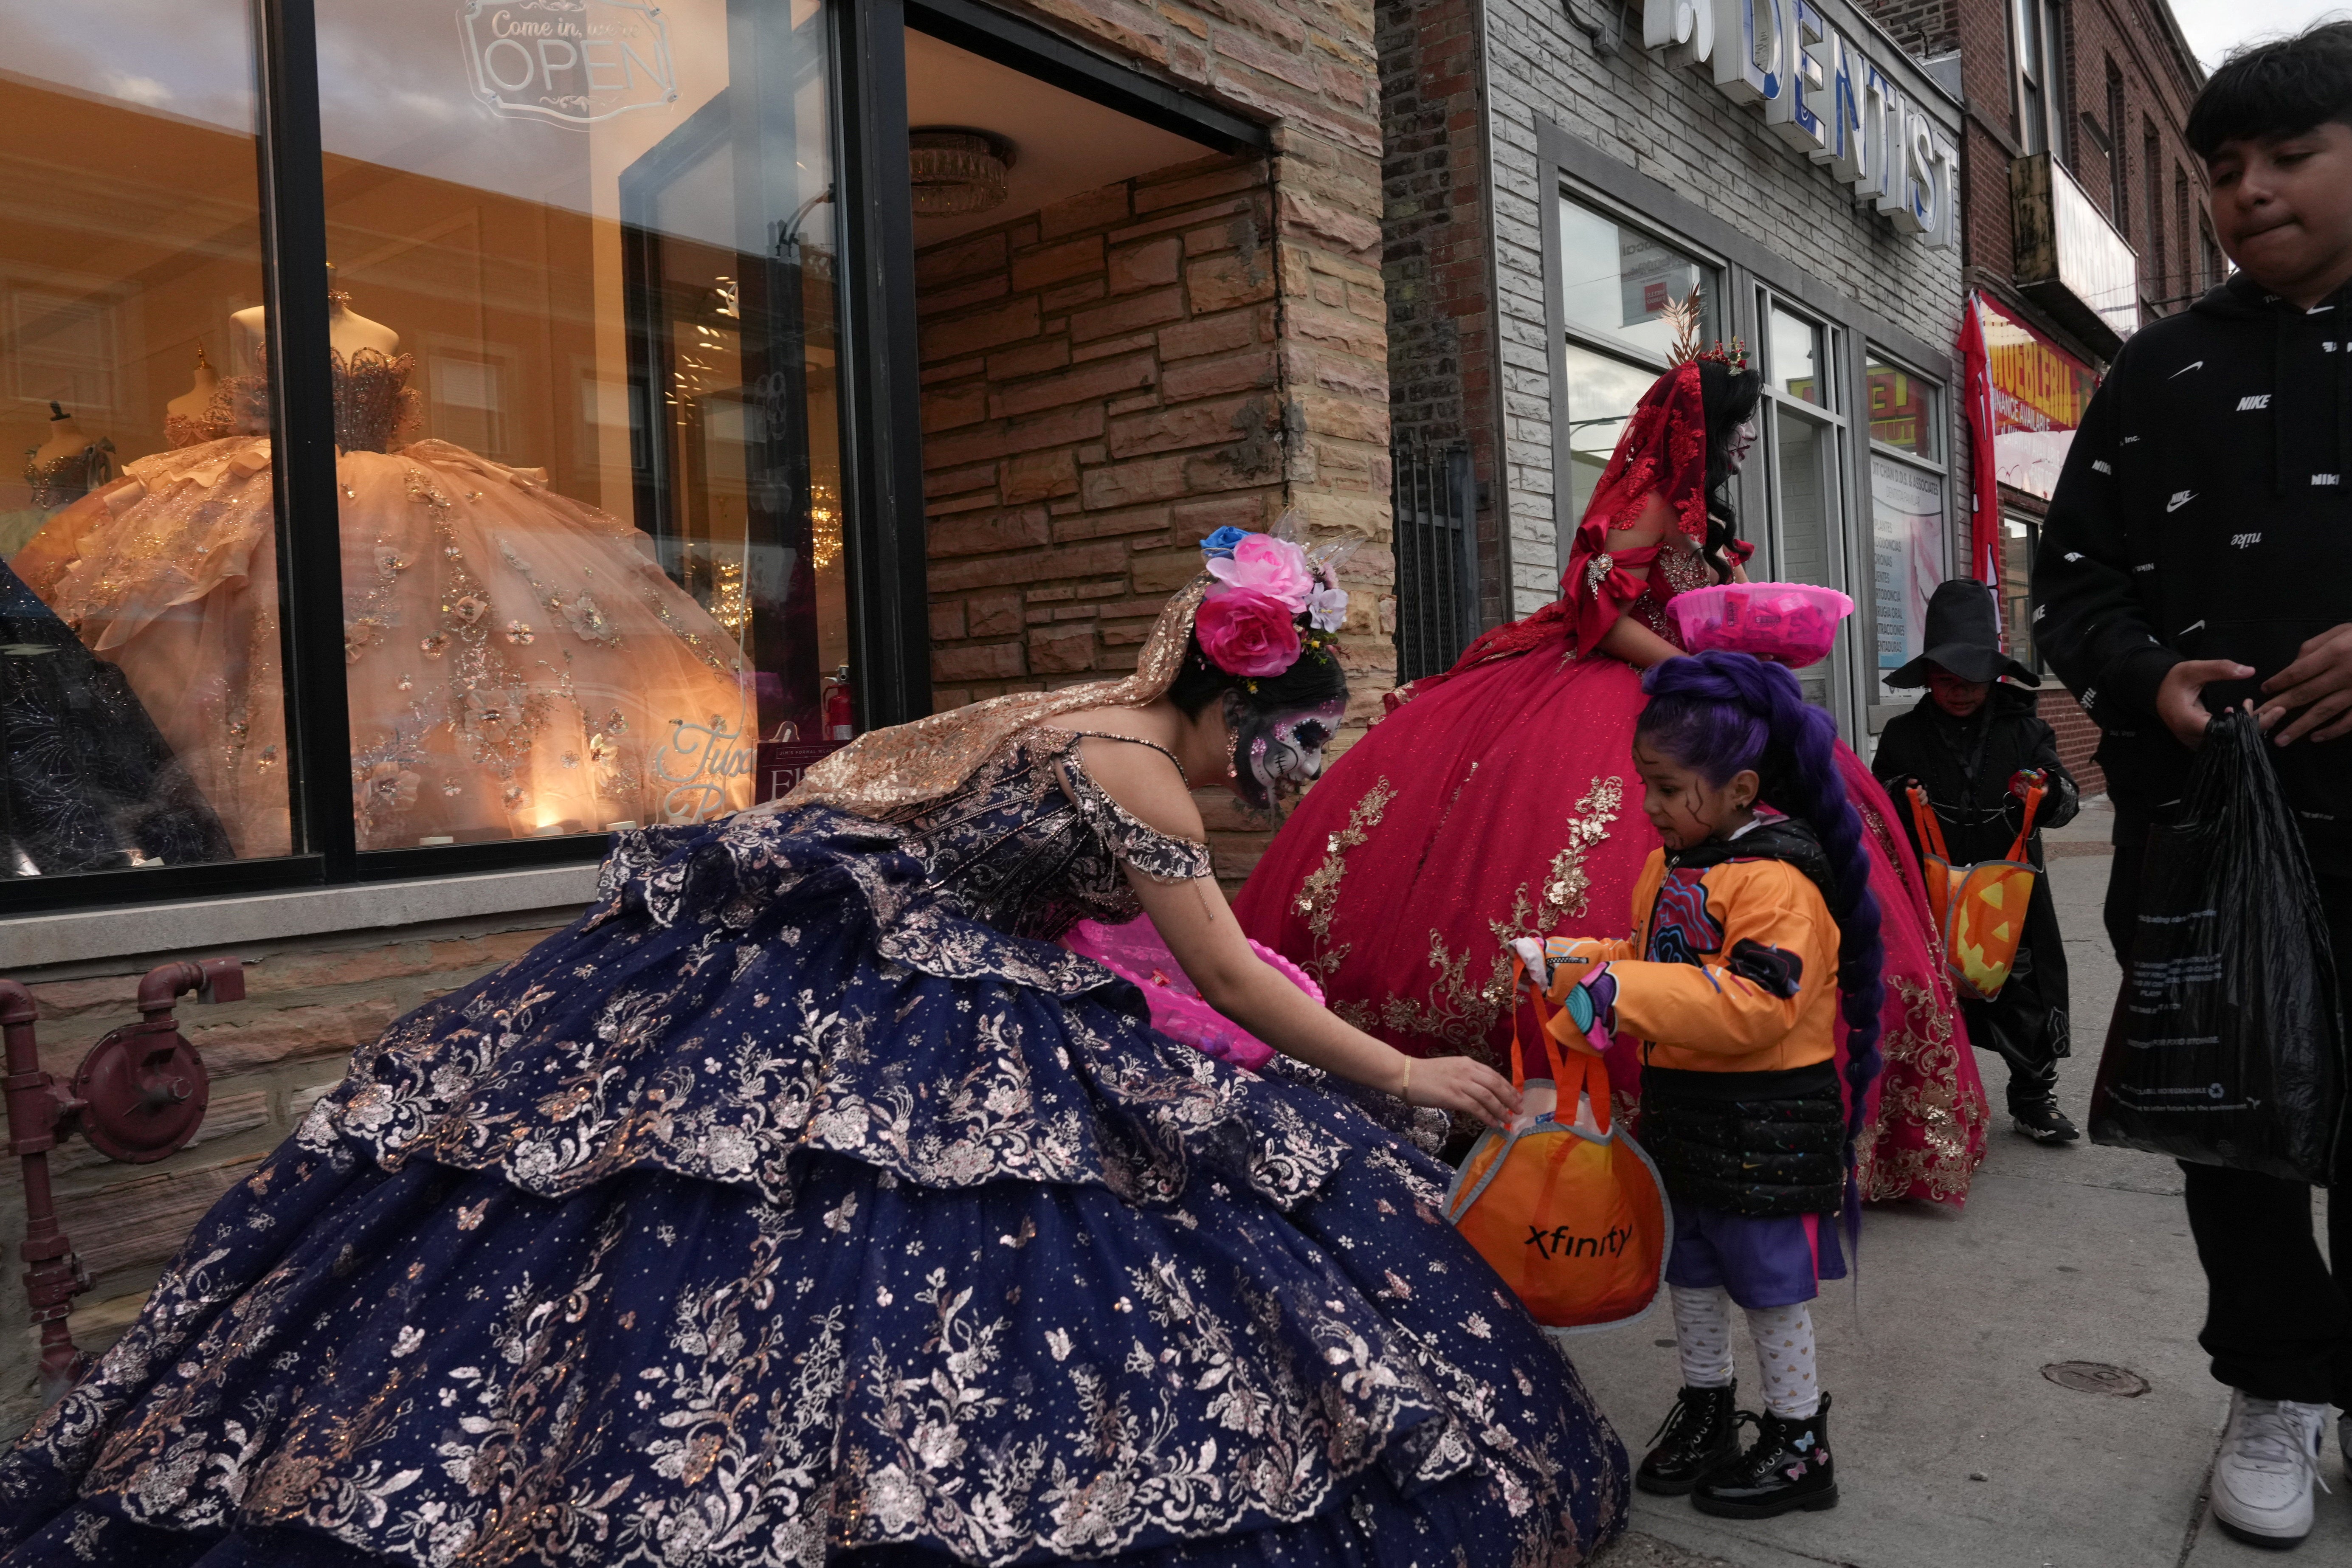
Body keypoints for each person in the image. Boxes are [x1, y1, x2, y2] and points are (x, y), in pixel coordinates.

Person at [0, 526, 1632, 1566]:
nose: (1265, 771)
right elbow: (1225, 969)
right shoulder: (1141, 774)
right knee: (933, 1250)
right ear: (1234, 703)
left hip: (887, 957)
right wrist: (1401, 1069)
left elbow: (881, 779)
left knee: (744, 1222)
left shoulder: (1074, 715)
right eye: (1274, 741)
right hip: (948, 993)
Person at [1234, 324, 1987, 1208]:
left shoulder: (1696, 509)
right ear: (1699, 429)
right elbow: (1593, 602)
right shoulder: (1649, 504)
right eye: (1739, 427)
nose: (1748, 442)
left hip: (1691, 691)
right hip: (1618, 688)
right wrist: (1681, 668)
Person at [2033, 20, 2352, 1550]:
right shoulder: (2160, 367)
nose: (2250, 192)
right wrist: (2140, 675)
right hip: (2203, 832)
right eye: (2223, 169)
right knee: (2237, 1136)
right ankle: (2276, 1386)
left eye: (2292, 156)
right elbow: (2071, 584)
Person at [1512, 651, 1882, 1520]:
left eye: (1669, 787)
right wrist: (1571, 963)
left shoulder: (1778, 882)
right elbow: (1650, 968)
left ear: (1741, 786)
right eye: (1647, 783)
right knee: (1694, 1266)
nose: (1650, 805)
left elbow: (1756, 1003)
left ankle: (1798, 1437)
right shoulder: (1675, 867)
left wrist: (1622, 992)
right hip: (1688, 1114)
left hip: (1767, 1121)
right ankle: (1709, 1405)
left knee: (1768, 1284)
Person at [1870, 579, 2082, 1144]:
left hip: (2007, 897)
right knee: (1928, 995)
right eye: (1946, 681)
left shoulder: (2027, 730)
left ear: (1993, 675)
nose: (1959, 691)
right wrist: (1896, 792)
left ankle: (2034, 1098)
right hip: (1929, 894)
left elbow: (2066, 800)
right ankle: (1931, 1105)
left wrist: (2046, 790)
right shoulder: (1903, 733)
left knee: (2024, 996)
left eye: (1970, 681)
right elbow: (1874, 804)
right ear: (1929, 678)